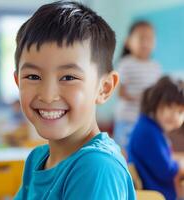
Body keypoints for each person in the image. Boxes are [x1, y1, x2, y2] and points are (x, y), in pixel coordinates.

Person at [13, 1, 135, 199]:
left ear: (104, 88)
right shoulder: (37, 159)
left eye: (68, 77)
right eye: (33, 77)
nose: (48, 95)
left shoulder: (96, 166)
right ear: (18, 81)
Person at [127, 76, 184, 200]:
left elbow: (164, 158)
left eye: (180, 112)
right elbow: (167, 171)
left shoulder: (151, 127)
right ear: (156, 103)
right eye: (169, 107)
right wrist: (179, 165)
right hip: (157, 194)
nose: (174, 116)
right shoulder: (148, 132)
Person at [114, 21, 161, 149]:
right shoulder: (125, 63)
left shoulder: (155, 67)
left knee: (143, 150)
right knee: (125, 151)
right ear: (128, 42)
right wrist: (140, 97)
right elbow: (120, 92)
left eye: (150, 39)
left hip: (147, 118)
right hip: (127, 118)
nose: (145, 43)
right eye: (141, 38)